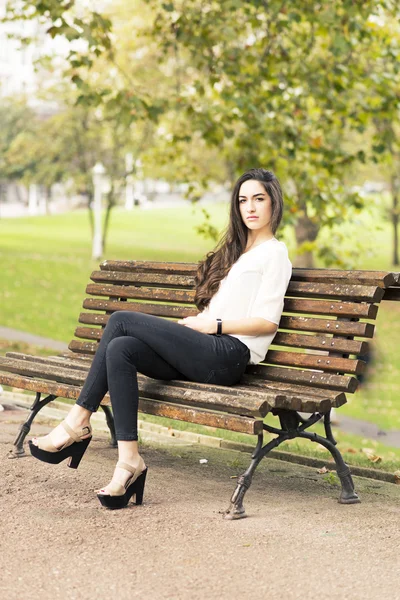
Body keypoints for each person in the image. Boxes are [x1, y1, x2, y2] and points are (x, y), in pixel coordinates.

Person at [29, 168, 292, 509]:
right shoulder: (237, 253)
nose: (250, 207)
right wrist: (199, 322)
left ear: (274, 203)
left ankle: (77, 422)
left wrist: (212, 326)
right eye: (243, 200)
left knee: (121, 320)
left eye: (259, 199)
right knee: (122, 349)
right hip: (207, 350)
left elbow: (267, 322)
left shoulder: (275, 253)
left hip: (229, 355)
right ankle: (129, 462)